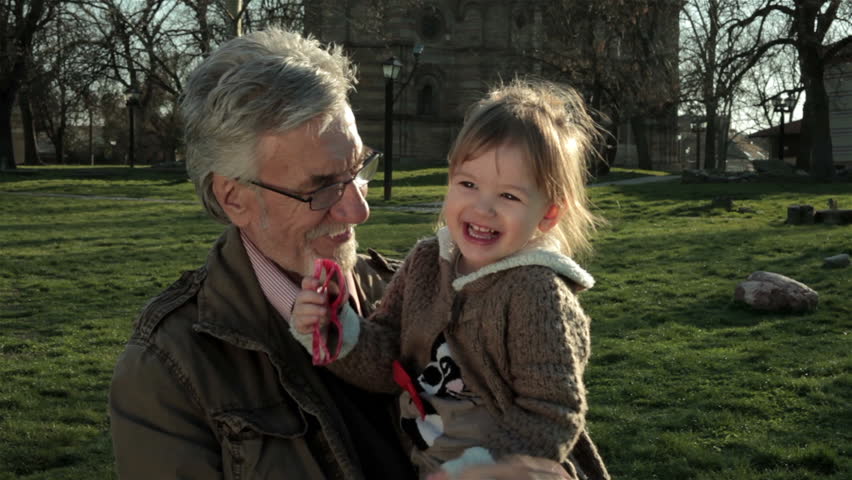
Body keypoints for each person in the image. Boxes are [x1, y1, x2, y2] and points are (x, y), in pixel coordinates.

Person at [108, 27, 576, 480]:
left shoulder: (428, 291)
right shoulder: (171, 367)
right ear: (234, 197)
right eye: (323, 187)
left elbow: (550, 427)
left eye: (358, 171)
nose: (360, 208)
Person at [292, 80, 610, 479]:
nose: (482, 208)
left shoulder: (537, 293)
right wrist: (334, 328)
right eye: (468, 184)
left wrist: (479, 472)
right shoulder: (428, 262)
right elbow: (388, 356)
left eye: (509, 196)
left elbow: (553, 411)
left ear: (547, 215)